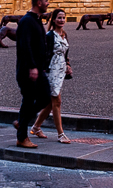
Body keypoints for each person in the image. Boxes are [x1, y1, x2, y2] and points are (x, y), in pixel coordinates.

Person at [12, 0, 53, 149]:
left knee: (45, 98)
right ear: (39, 3)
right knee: (28, 101)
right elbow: (25, 46)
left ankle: (22, 122)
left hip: (38, 69)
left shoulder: (36, 20)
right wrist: (32, 67)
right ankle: (22, 137)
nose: (48, 3)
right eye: (46, 1)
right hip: (29, 70)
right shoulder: (27, 21)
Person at [31, 9, 73, 144]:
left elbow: (65, 54)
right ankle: (61, 134)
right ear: (53, 20)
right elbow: (43, 54)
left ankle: (36, 127)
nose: (62, 20)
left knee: (50, 103)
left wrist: (68, 64)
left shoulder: (64, 35)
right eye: (59, 18)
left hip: (60, 70)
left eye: (63, 17)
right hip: (51, 70)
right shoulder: (49, 35)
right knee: (57, 101)